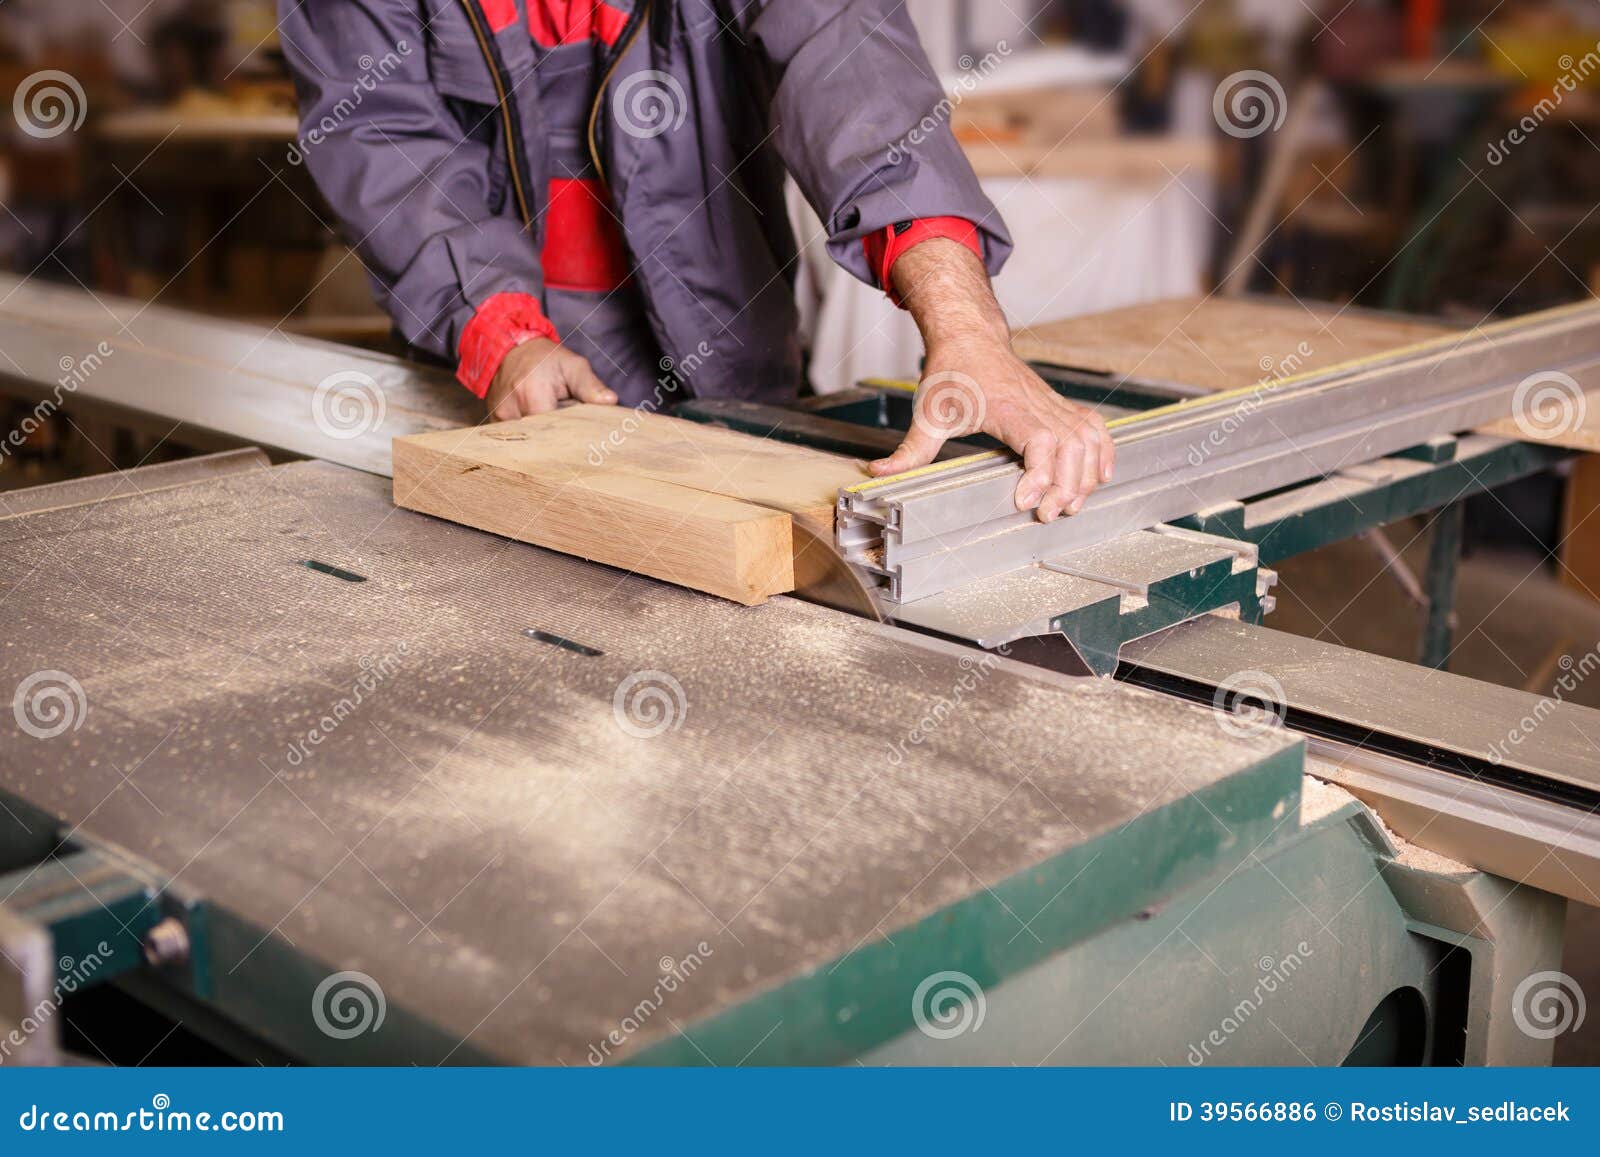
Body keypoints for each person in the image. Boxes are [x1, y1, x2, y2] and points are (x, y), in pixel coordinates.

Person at [278, 0, 1113, 519]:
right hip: (495, 391)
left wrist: (966, 330)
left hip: (727, 361)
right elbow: (379, 134)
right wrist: (499, 331)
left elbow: (848, 53)